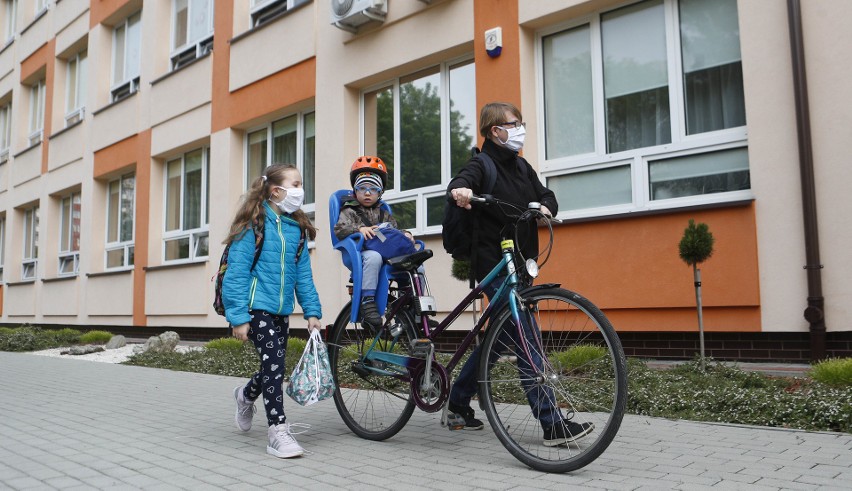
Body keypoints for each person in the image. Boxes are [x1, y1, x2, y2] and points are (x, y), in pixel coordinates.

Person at [446, 102, 594, 445]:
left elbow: (545, 194)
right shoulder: (481, 165)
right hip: (493, 261)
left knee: (503, 337)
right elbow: (462, 179)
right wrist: (461, 191)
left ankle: (457, 398)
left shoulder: (522, 167)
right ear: (495, 131)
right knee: (525, 333)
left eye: (520, 123)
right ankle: (551, 421)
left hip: (522, 262)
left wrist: (546, 206)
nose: (520, 129)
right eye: (514, 124)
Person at [222, 163, 322, 459]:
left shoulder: (296, 230)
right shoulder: (254, 224)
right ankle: (278, 431)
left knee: (273, 366)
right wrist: (238, 317)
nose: (300, 190)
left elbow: (303, 275)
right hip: (255, 308)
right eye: (296, 184)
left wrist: (312, 312)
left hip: (280, 310)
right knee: (275, 363)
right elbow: (236, 273)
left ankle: (245, 395)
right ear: (276, 190)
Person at [333, 156, 416, 330]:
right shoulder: (349, 210)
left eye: (373, 189)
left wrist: (405, 234)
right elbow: (339, 229)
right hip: (358, 251)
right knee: (374, 257)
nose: (368, 193)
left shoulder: (383, 213)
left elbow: (391, 232)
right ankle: (368, 300)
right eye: (362, 188)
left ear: (380, 193)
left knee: (415, 262)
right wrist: (359, 230)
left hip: (383, 248)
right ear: (355, 191)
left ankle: (410, 303)